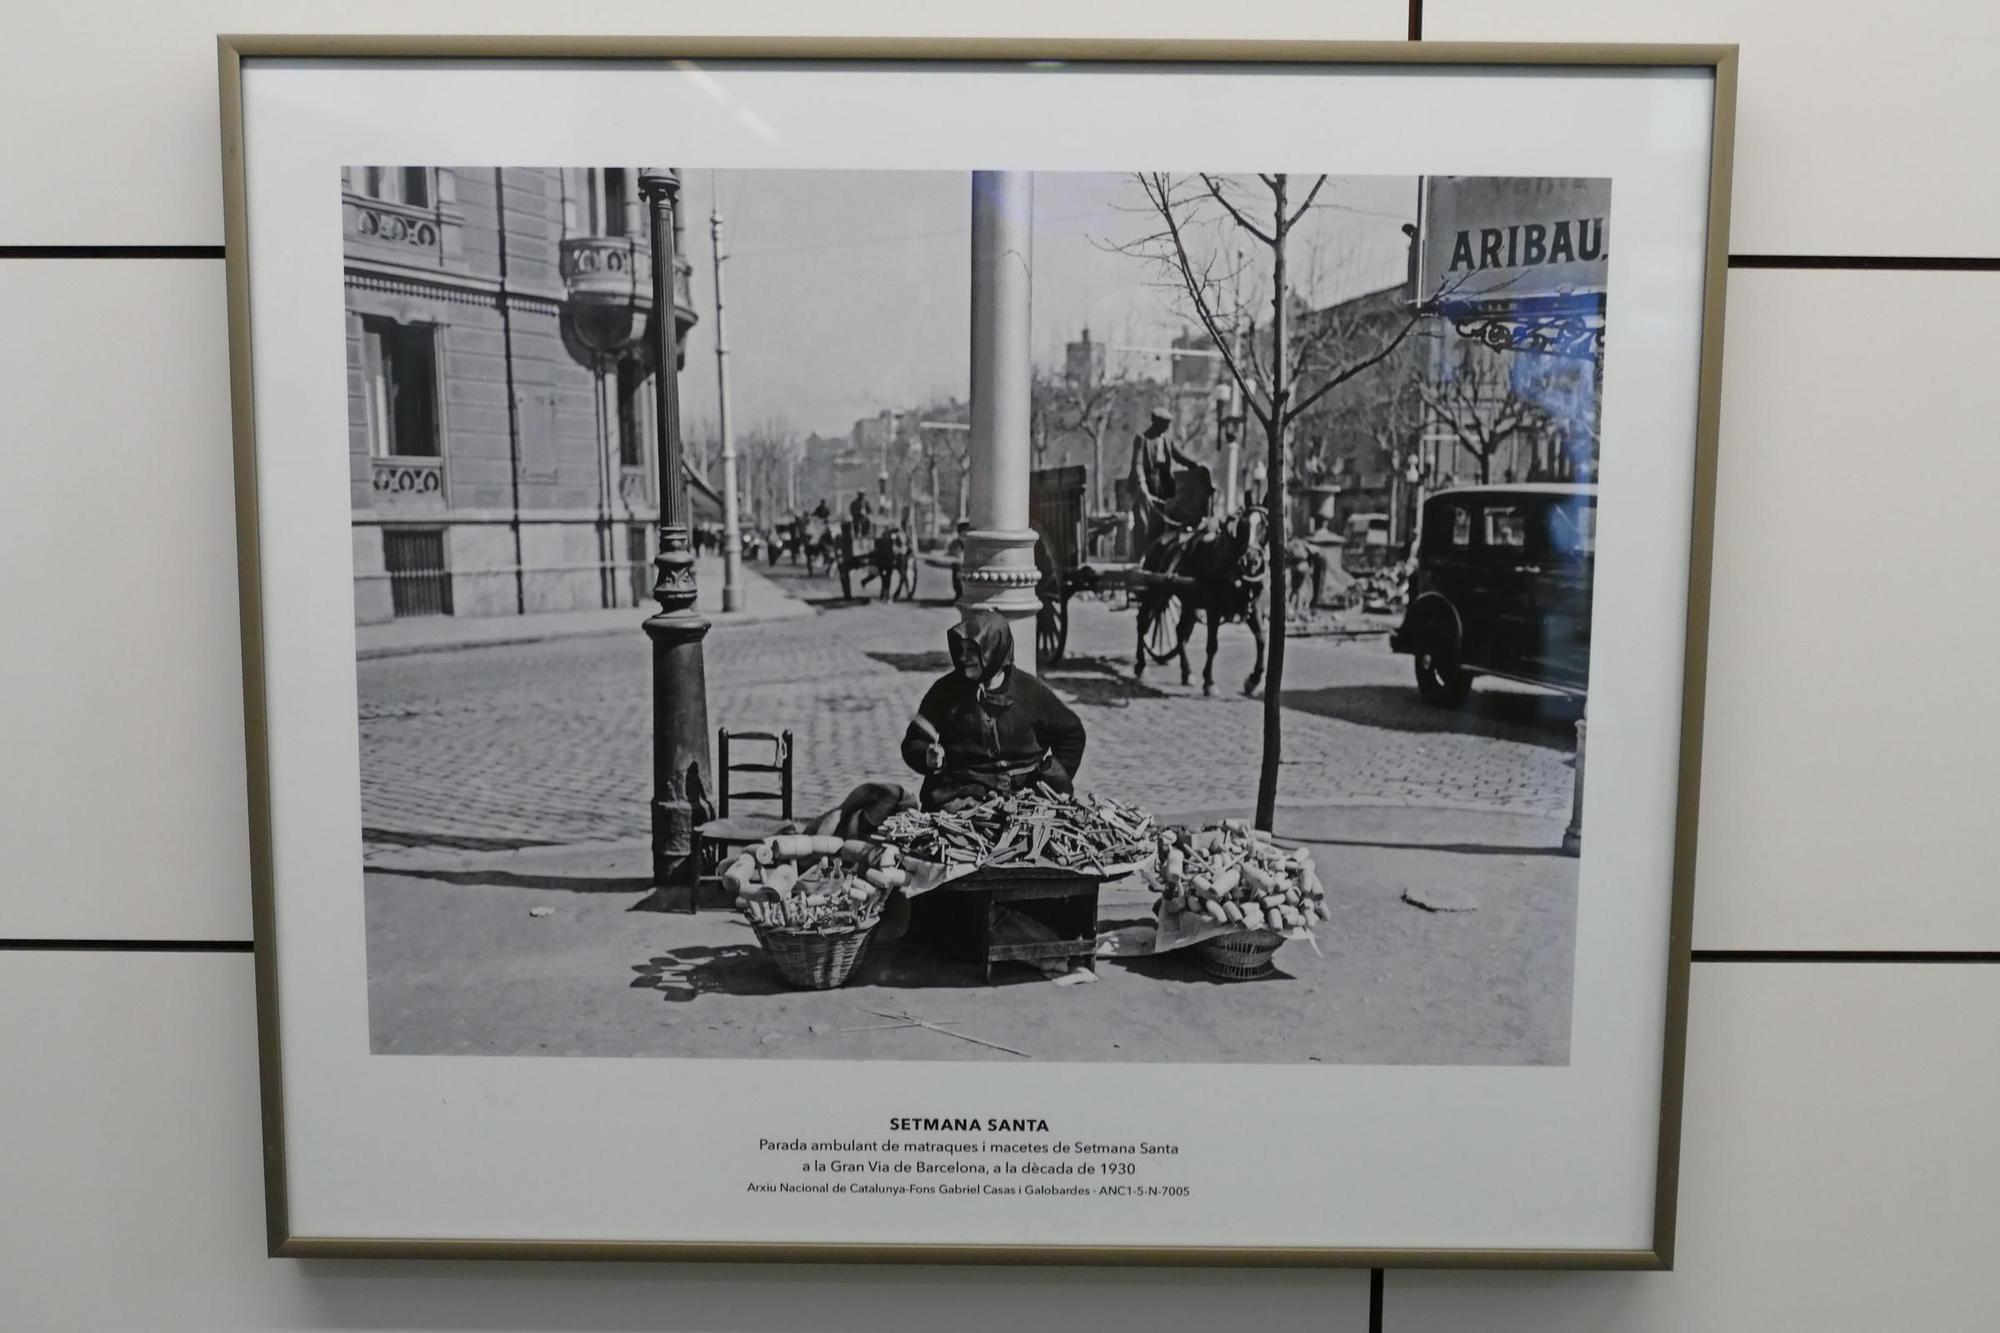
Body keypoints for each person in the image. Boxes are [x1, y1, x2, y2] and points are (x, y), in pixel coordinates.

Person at [900, 608, 1087, 812]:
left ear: (995, 650)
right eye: (960, 650)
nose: (964, 658)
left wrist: (1049, 777)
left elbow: (1072, 733)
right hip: (960, 797)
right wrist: (927, 756)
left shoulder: (1030, 691)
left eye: (973, 651)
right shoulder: (945, 691)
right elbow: (914, 741)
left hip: (1023, 799)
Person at [1127, 406, 1199, 567]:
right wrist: (1142, 485)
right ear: (1156, 422)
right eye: (1165, 423)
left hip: (1162, 487)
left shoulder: (1167, 440)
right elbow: (1137, 464)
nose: (1168, 426)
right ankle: (1139, 559)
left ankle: (1157, 560)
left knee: (1162, 526)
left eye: (1169, 423)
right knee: (1143, 525)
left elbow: (1180, 456)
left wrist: (1196, 465)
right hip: (1145, 488)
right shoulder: (1142, 439)